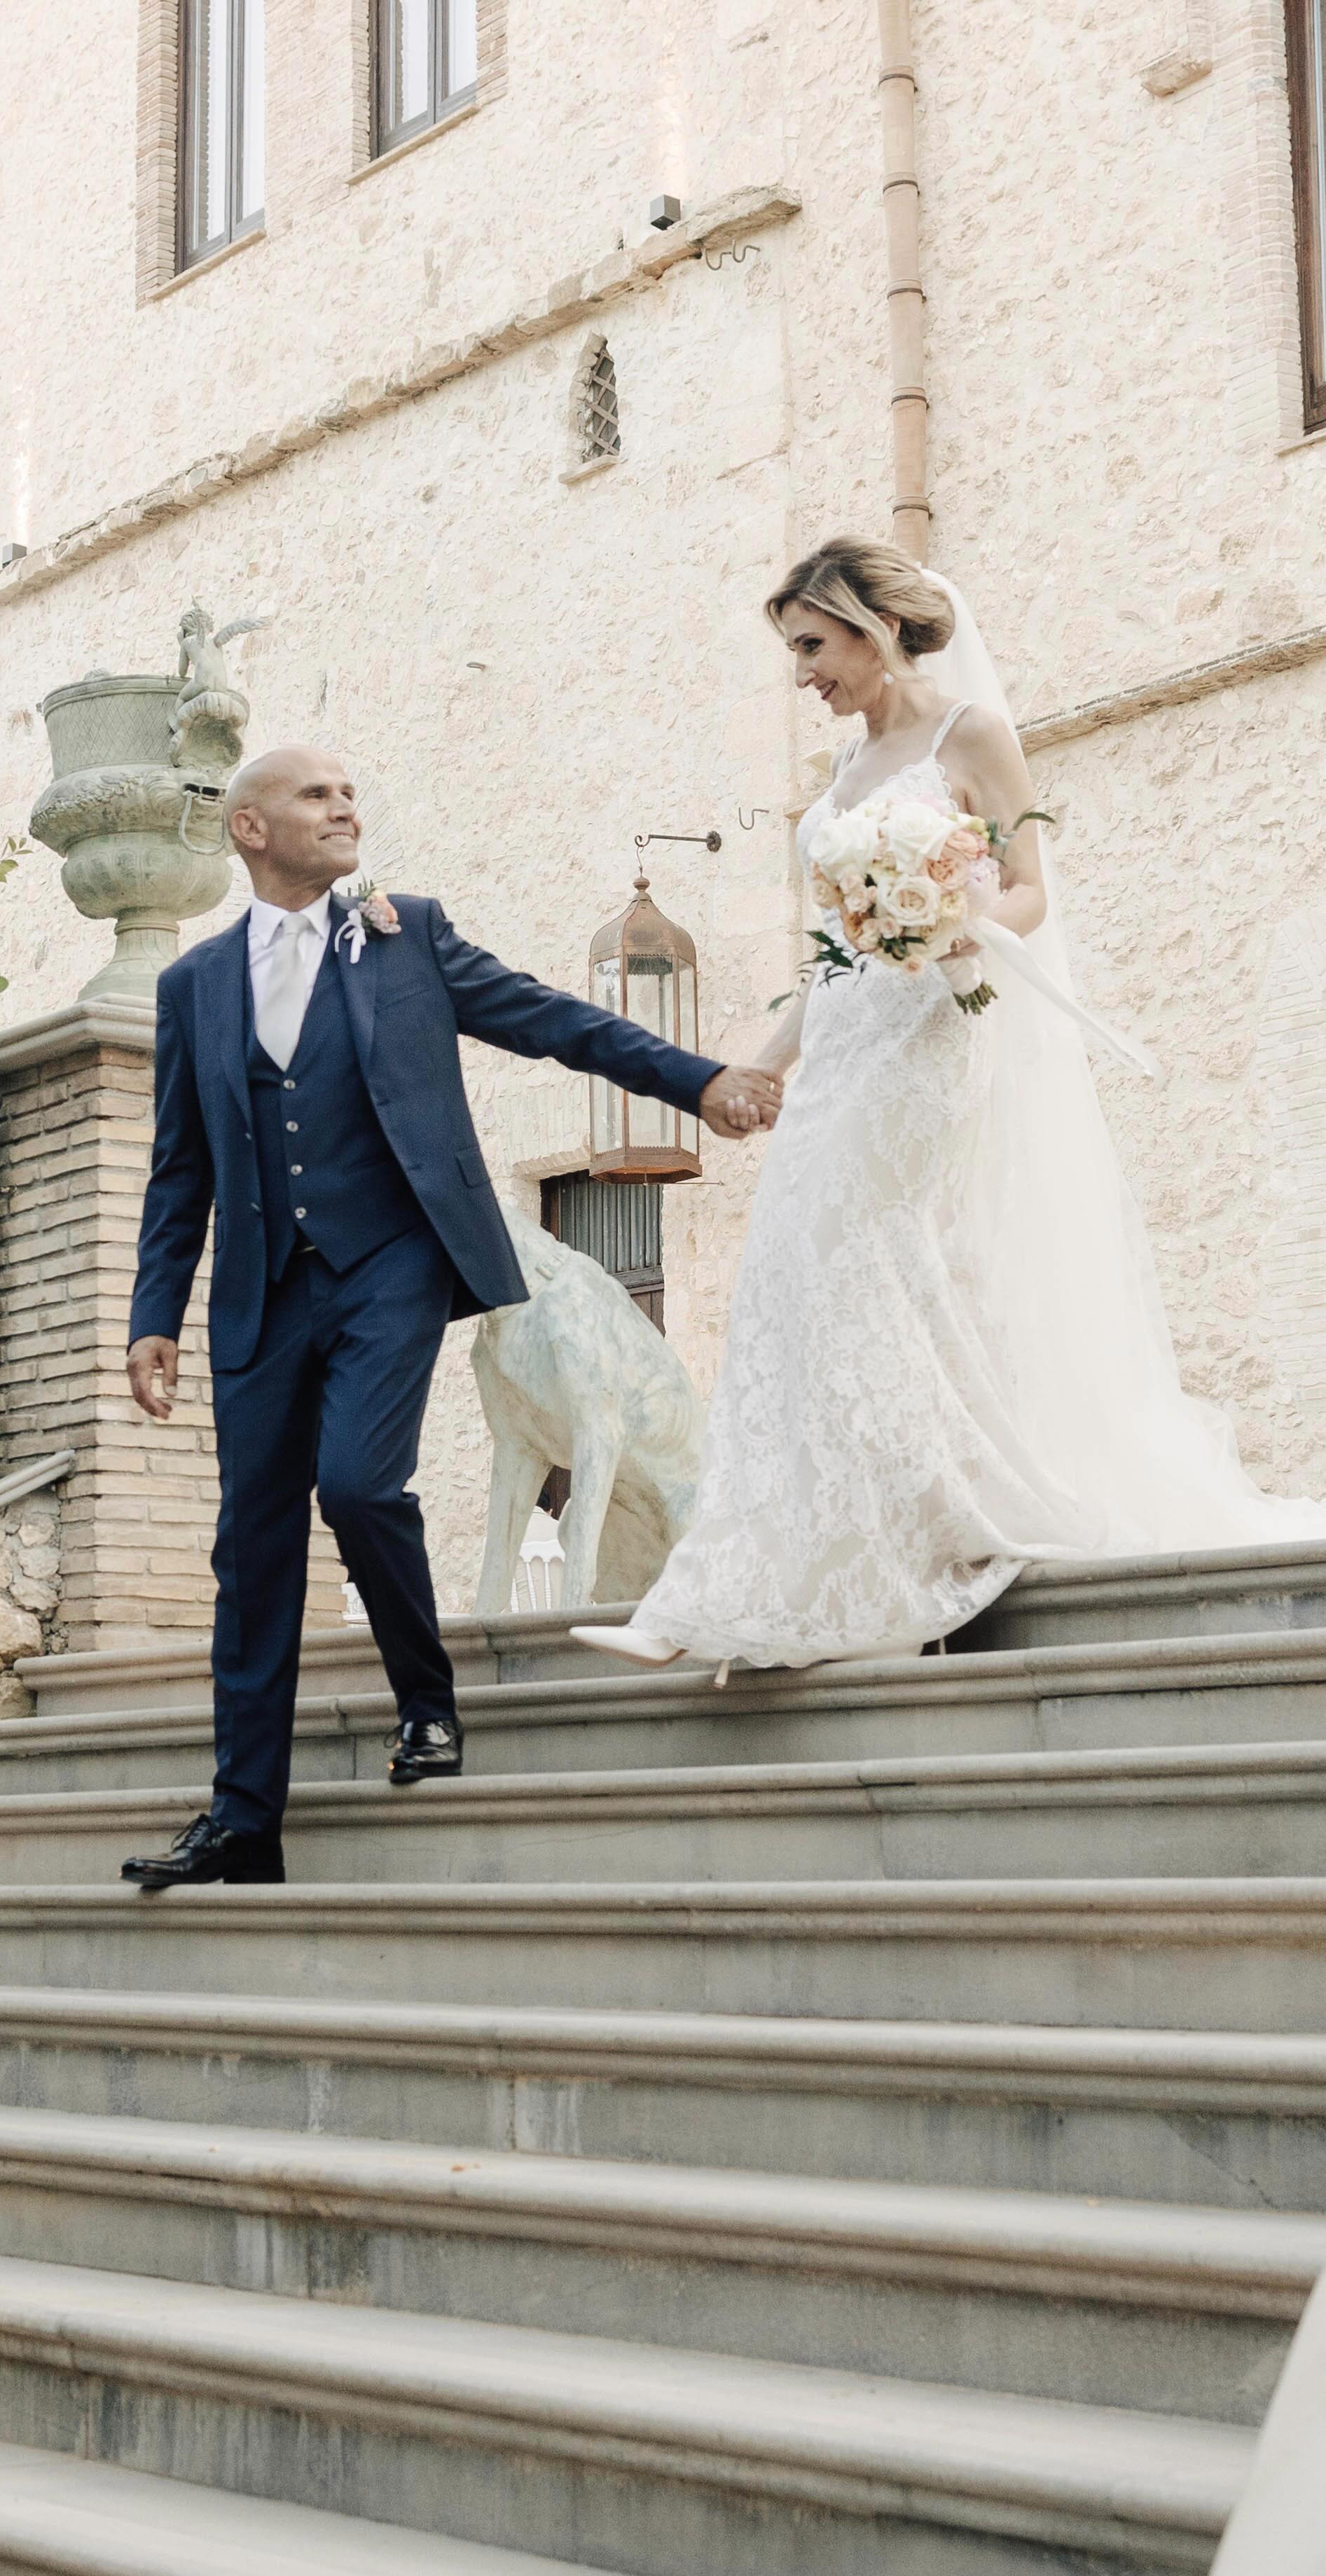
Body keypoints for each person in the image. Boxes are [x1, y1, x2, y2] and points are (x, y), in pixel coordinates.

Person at [575, 537, 1326, 1675]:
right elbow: (830, 955)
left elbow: (1028, 892)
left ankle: (892, 1549)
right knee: (792, 1274)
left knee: (858, 1264)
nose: (803, 675)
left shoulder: (969, 735)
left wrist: (950, 923)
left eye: (812, 647)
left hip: (930, 1035)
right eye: (793, 654)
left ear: (871, 629)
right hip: (844, 1047)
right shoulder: (838, 775)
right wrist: (761, 1064)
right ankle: (757, 1577)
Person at [120, 745, 782, 1889]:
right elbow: (179, 1169)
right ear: (250, 829)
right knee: (254, 1548)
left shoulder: (405, 935)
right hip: (262, 1291)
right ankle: (243, 1821)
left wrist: (699, 1078)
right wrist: (153, 1311)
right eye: (316, 795)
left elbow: (552, 1020)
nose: (345, 808)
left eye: (351, 794)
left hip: (391, 1265)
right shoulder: (194, 987)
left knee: (362, 1485)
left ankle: (427, 1701)